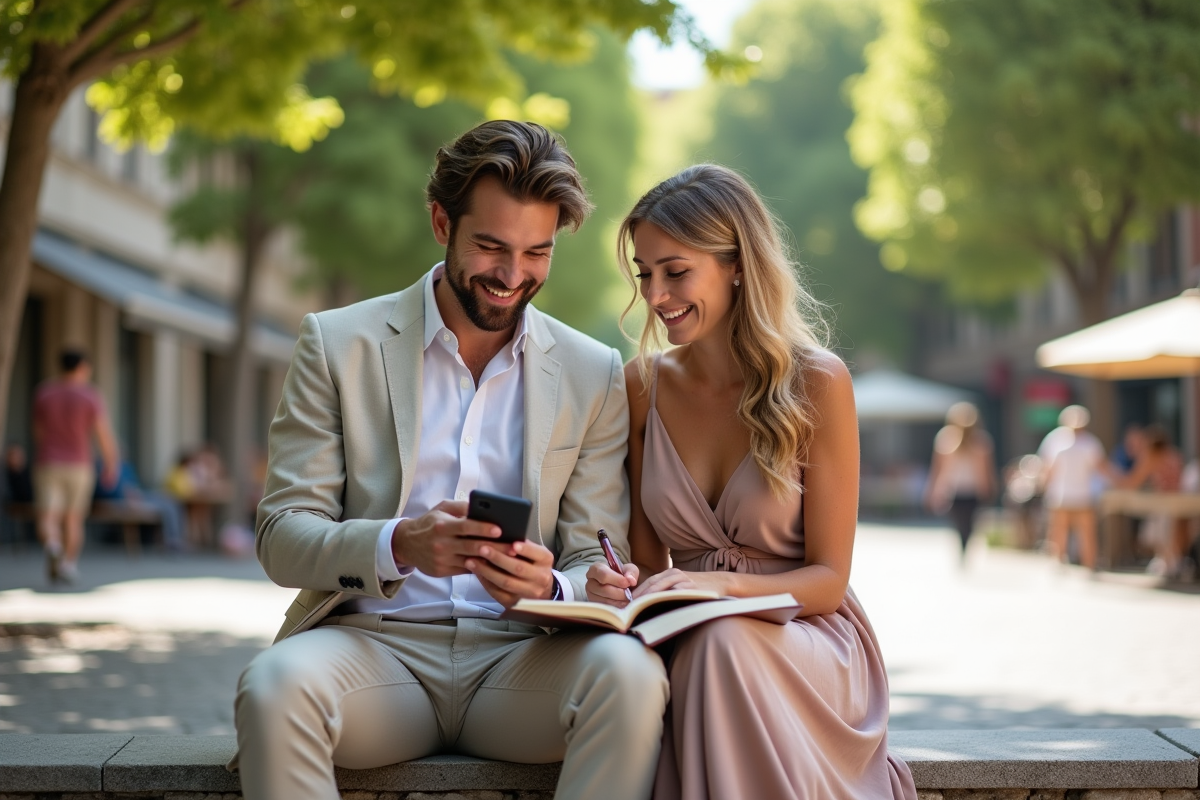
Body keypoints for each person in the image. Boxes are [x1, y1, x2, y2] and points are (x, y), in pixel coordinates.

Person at [233, 121, 668, 800]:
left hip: (525, 660)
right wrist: (399, 544)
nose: (512, 276)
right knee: (272, 688)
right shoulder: (338, 344)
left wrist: (554, 587)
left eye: (537, 253)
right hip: (373, 653)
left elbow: (594, 555)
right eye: (491, 246)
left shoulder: (593, 372)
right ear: (442, 222)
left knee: (633, 676)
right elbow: (282, 538)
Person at [587, 165, 916, 800]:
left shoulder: (818, 382)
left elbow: (828, 581)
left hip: (806, 637)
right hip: (691, 634)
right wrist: (620, 583)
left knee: (722, 640)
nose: (656, 295)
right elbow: (648, 564)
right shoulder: (641, 387)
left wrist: (721, 589)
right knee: (711, 642)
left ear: (737, 264)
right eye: (645, 273)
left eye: (675, 271)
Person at [31, 349, 118, 584]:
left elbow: (38, 432)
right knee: (73, 519)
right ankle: (68, 565)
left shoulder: (44, 393)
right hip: (80, 464)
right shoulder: (90, 395)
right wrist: (111, 463)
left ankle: (53, 545)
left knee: (48, 516)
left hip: (48, 462)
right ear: (82, 367)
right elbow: (103, 434)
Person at [1037, 405, 1111, 571]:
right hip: (1065, 495)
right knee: (1063, 531)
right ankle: (1064, 562)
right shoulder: (1066, 440)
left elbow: (1048, 469)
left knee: (1083, 533)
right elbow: (1102, 468)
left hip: (1077, 495)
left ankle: (1087, 564)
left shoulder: (1084, 442)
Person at [925, 401, 996, 561]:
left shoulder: (949, 438)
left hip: (956, 489)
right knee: (967, 522)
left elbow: (937, 469)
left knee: (961, 522)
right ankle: (964, 545)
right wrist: (988, 487)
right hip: (968, 489)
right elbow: (986, 469)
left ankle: (963, 546)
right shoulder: (978, 440)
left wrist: (933, 490)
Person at [1120, 425, 1190, 579]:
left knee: (1160, 536)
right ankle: (1171, 563)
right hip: (1179, 502)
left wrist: (1118, 484)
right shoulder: (1175, 455)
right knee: (1171, 536)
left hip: (1163, 504)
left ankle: (1169, 563)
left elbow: (1134, 481)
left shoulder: (1153, 457)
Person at [92, 455, 187, 552]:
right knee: (167, 506)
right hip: (123, 499)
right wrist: (125, 494)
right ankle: (172, 541)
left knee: (170, 501)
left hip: (139, 494)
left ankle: (176, 539)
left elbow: (135, 483)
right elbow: (103, 490)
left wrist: (135, 492)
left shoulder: (125, 466)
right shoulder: (101, 468)